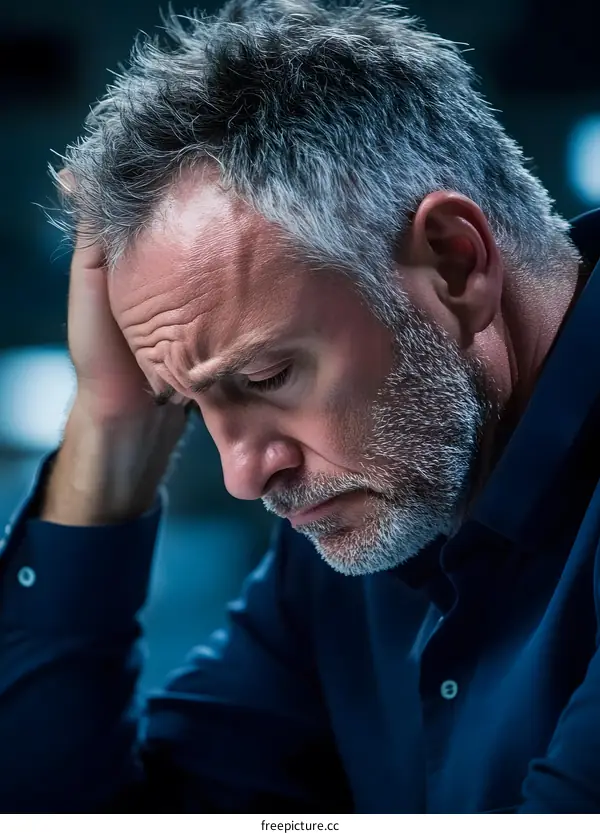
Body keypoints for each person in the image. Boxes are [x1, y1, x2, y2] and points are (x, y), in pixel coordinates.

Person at [0, 0, 599, 813]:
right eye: (189, 405)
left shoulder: (381, 479)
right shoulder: (364, 522)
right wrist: (111, 424)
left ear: (457, 265)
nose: (247, 476)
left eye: (269, 375)